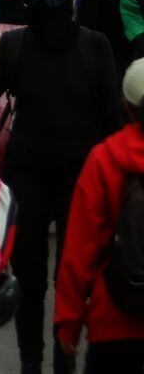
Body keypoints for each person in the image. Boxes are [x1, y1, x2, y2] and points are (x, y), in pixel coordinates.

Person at [0, 0, 123, 374]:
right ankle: (40, 363)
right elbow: (113, 124)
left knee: (55, 280)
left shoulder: (78, 45)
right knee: (43, 280)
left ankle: (48, 361)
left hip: (67, 179)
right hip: (46, 177)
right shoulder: (80, 45)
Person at [54, 56, 144, 373]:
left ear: (126, 105)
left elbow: (80, 249)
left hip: (114, 320)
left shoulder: (105, 159)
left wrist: (69, 322)